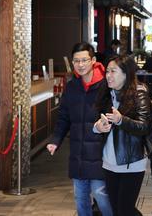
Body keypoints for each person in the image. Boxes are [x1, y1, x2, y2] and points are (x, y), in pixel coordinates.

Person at [47, 42, 113, 216]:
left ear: (93, 60)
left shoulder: (105, 86)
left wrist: (103, 125)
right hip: (78, 152)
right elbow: (64, 117)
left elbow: (112, 116)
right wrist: (55, 140)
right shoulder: (72, 87)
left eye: (84, 60)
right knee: (80, 197)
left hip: (100, 151)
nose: (81, 64)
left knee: (101, 193)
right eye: (77, 61)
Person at [94, 55, 151, 216]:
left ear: (126, 74)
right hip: (109, 162)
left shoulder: (139, 94)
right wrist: (97, 127)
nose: (108, 75)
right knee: (118, 209)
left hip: (131, 163)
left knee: (125, 210)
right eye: (107, 71)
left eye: (113, 71)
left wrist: (121, 120)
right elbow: (96, 120)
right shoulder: (107, 94)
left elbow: (144, 126)